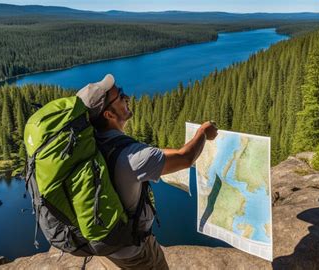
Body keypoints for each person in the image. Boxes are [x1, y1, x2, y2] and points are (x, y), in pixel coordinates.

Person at [76, 74, 218, 269]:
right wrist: (203, 132)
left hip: (104, 248)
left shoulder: (87, 145)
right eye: (121, 96)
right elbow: (186, 157)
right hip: (135, 254)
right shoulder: (133, 157)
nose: (127, 97)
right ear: (108, 115)